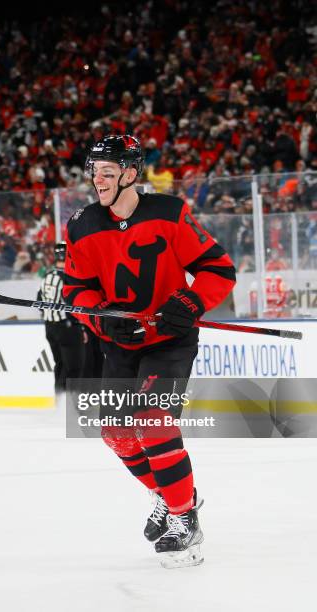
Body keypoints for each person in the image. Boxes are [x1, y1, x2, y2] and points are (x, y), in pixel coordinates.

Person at [63, 135, 236, 568]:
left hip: (169, 341)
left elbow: (219, 269)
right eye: (94, 171)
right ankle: (168, 493)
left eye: (107, 172)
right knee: (116, 433)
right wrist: (99, 317)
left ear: (130, 174)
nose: (97, 180)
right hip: (121, 345)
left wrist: (190, 302)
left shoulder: (170, 213)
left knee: (153, 424)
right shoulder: (82, 225)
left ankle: (184, 517)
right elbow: (77, 290)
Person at [37, 241, 85, 396]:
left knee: (60, 365)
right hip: (67, 327)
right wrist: (81, 326)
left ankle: (59, 403)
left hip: (49, 327)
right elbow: (73, 304)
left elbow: (39, 301)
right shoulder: (68, 277)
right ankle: (70, 406)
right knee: (73, 368)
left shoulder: (47, 276)